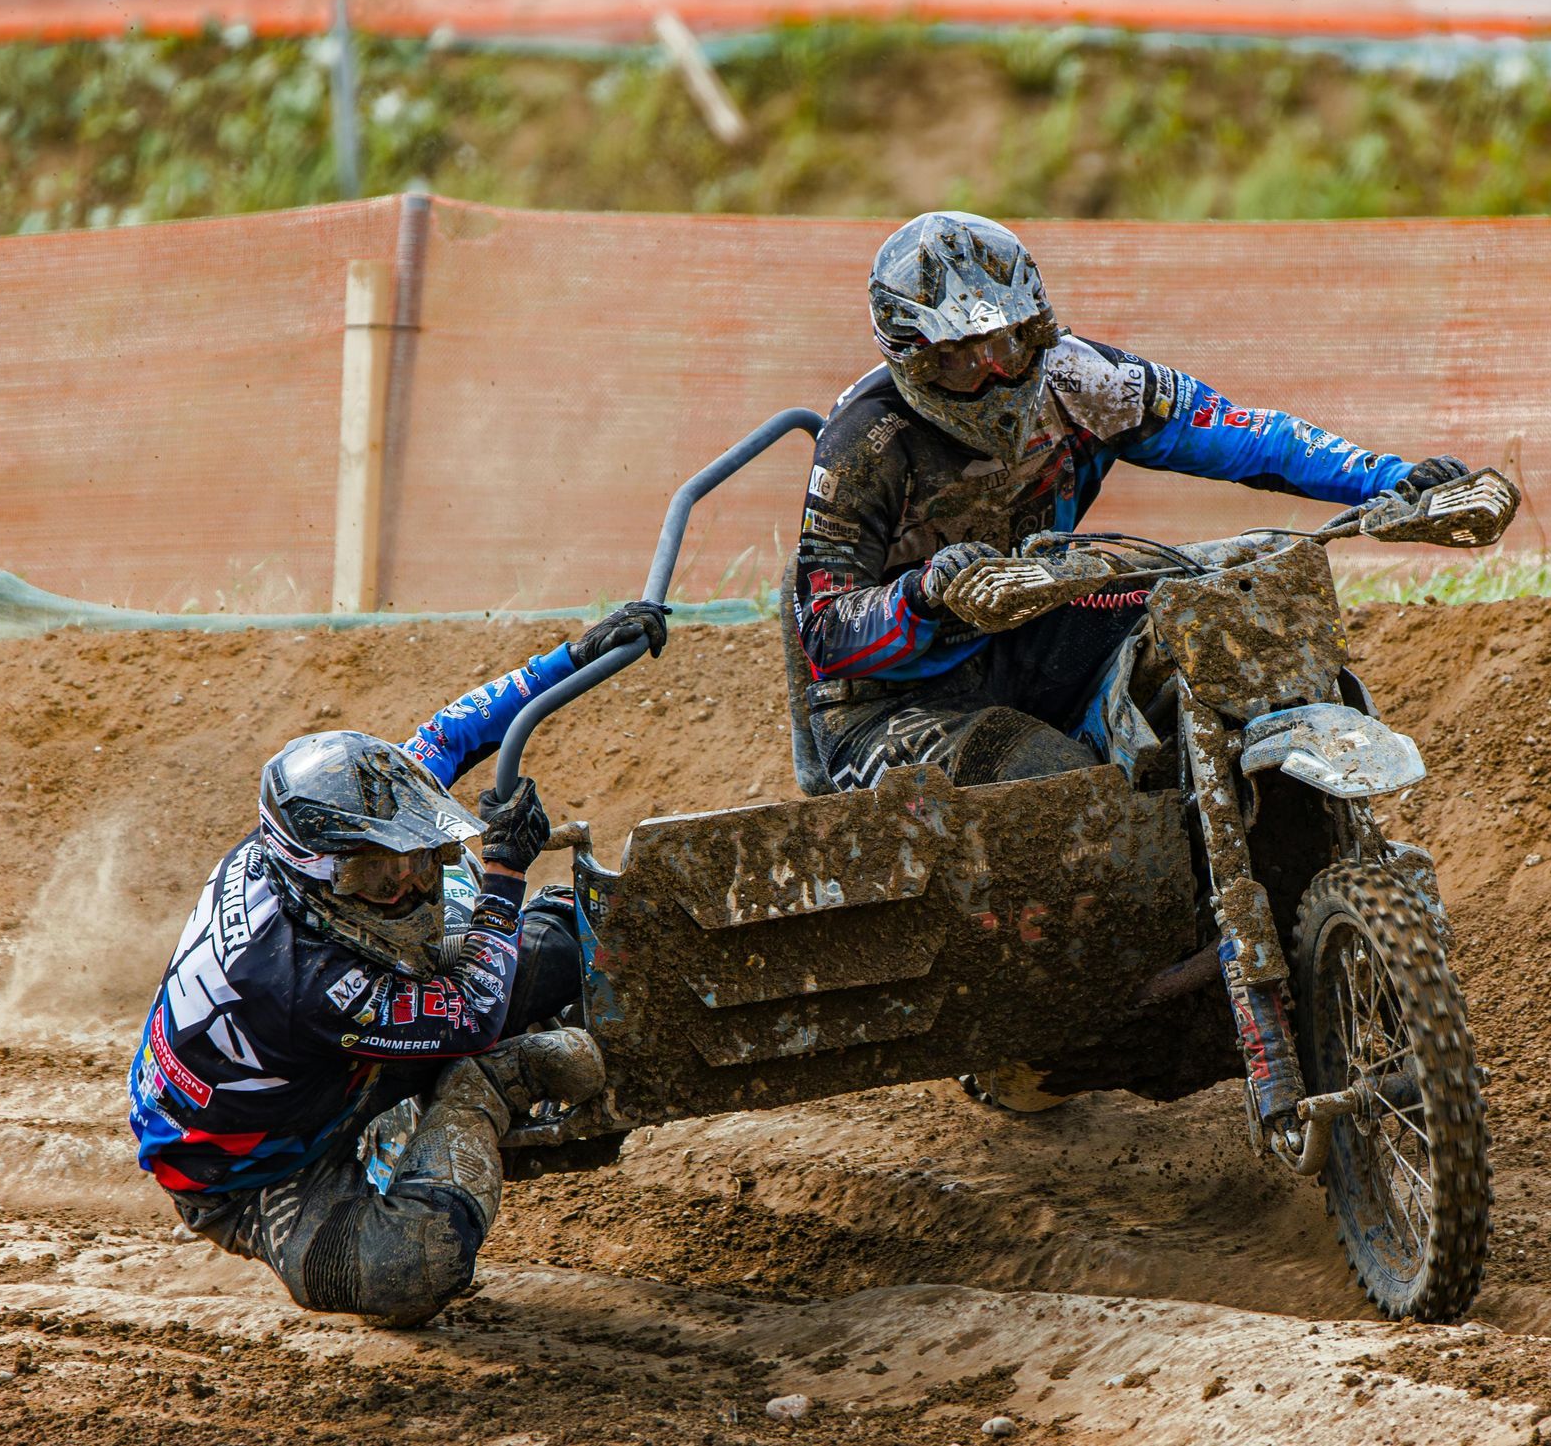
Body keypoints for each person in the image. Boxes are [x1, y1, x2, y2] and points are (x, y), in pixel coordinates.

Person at [793, 210, 1470, 791]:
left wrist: (1389, 480)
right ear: (913, 360)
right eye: (961, 359)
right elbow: (821, 628)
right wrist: (926, 592)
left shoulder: (1080, 378)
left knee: (1217, 622)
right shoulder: (865, 444)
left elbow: (1244, 434)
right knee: (1062, 787)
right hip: (889, 701)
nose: (995, 373)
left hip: (1030, 636)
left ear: (1035, 328)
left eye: (1006, 344)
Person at [126, 601, 668, 1327]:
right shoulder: (292, 977)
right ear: (319, 877)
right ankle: (484, 1086)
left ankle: (459, 1055)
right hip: (253, 1175)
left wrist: (572, 658)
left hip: (317, 1072)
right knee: (414, 1267)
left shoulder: (299, 846)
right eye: (379, 878)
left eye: (414, 855)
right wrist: (505, 877)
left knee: (559, 950)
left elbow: (450, 733)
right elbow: (471, 1010)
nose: (409, 882)